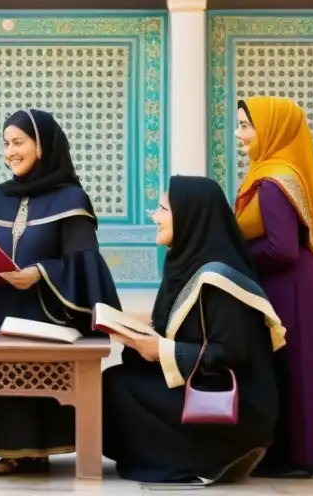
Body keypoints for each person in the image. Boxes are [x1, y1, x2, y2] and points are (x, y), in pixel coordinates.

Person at [0, 108, 121, 476]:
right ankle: (14, 450)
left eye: (18, 142)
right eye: (5, 143)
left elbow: (85, 266)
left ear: (41, 146)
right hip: (4, 313)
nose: (9, 151)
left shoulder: (71, 199)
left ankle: (47, 446)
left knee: (43, 385)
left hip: (49, 316)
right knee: (11, 383)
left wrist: (41, 272)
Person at [103, 175, 286, 485]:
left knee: (118, 389)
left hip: (235, 403)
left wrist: (161, 350)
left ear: (190, 215)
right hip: (200, 378)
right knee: (115, 381)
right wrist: (138, 341)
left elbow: (229, 353)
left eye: (163, 209)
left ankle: (211, 457)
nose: (155, 216)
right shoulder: (183, 263)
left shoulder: (219, 278)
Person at [235, 97, 313, 477]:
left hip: (290, 283)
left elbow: (281, 249)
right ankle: (300, 453)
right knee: (300, 365)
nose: (240, 135)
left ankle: (291, 456)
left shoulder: (273, 181)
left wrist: (238, 259)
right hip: (300, 278)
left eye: (246, 126)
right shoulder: (278, 170)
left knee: (291, 366)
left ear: (271, 130)